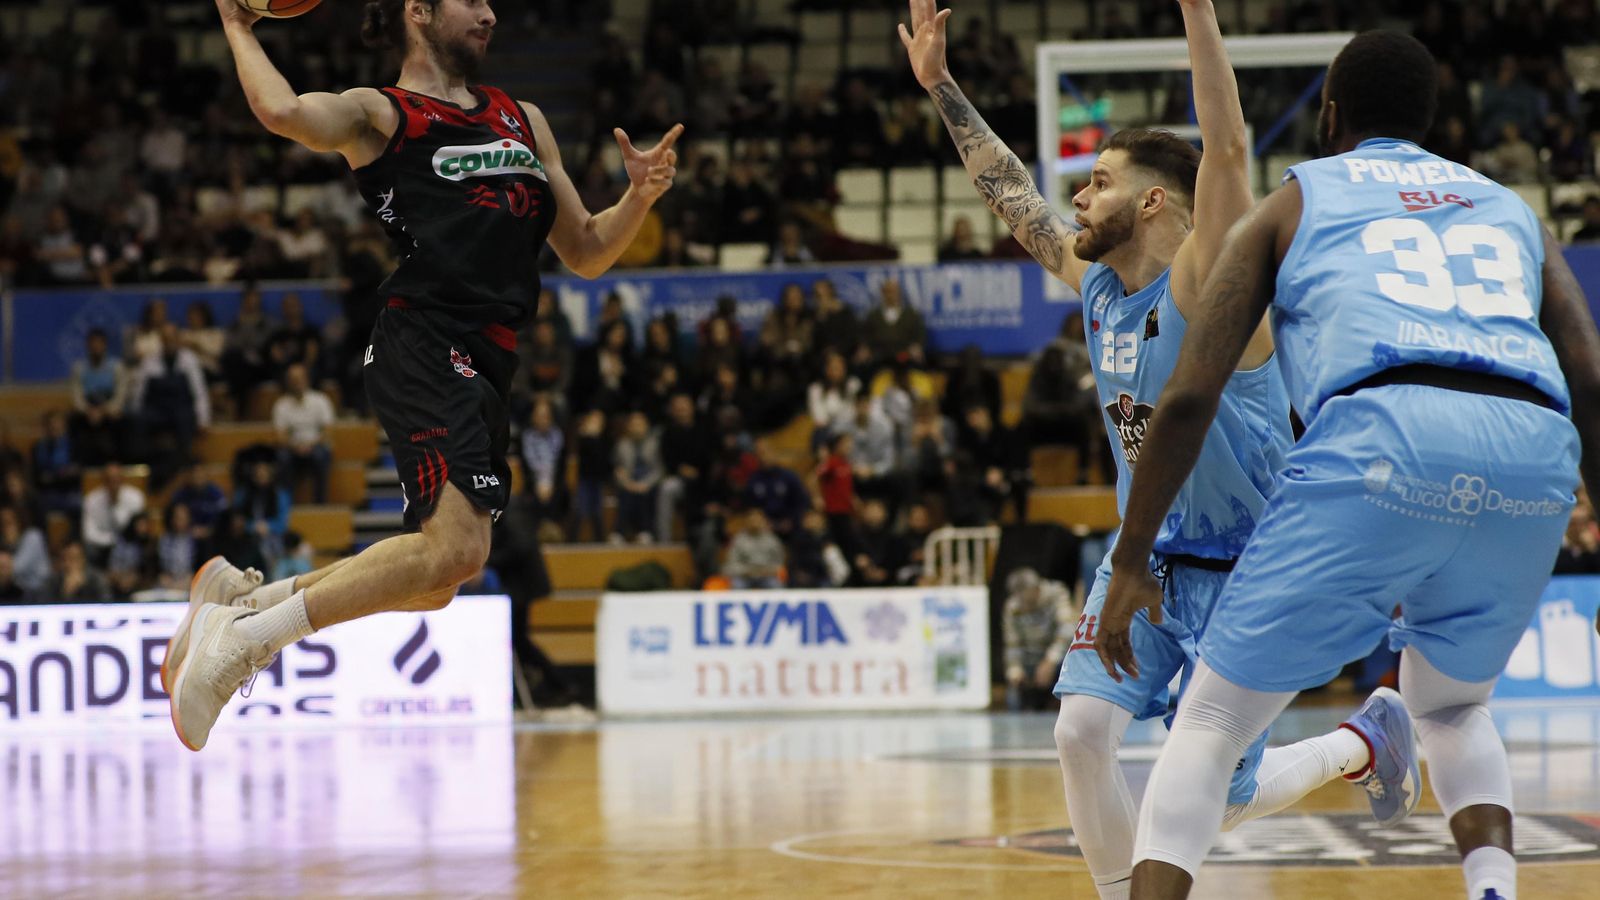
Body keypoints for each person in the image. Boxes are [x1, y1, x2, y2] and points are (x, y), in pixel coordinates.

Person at [903, 3, 1410, 899]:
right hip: (1143, 561)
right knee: (1077, 735)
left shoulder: (1211, 279)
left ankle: (1358, 742)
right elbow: (1008, 189)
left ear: (1152, 199)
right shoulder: (1097, 285)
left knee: (1207, 793)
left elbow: (1224, 141)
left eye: (1097, 181)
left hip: (1247, 572)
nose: (1077, 197)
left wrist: (1197, 11)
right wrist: (941, 86)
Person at [1095, 31, 1598, 900]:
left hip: (1383, 437)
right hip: (1532, 448)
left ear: (1330, 115)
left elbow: (1186, 399)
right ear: (1432, 123)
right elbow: (1589, 374)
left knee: (1211, 721)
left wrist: (1133, 558)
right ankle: (1493, 889)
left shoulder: (1297, 201)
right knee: (1452, 705)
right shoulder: (1512, 207)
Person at [164, 0, 682, 752]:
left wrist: (638, 197)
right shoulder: (382, 113)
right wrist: (238, 26)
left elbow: (588, 250)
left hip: (490, 356)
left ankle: (239, 603)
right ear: (418, 12)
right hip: (425, 336)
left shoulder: (522, 118)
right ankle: (245, 645)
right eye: (471, 0)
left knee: (436, 583)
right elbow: (280, 111)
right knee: (458, 550)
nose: (492, 13)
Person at [272, 362, 336, 503]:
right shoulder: (281, 405)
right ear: (288, 382)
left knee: (321, 456)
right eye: (293, 379)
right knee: (282, 458)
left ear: (307, 379)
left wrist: (309, 445)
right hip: (292, 449)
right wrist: (296, 447)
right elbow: (280, 437)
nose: (297, 383)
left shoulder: (321, 400)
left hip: (316, 446)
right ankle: (286, 504)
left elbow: (328, 432)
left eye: (299, 378)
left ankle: (320, 504)